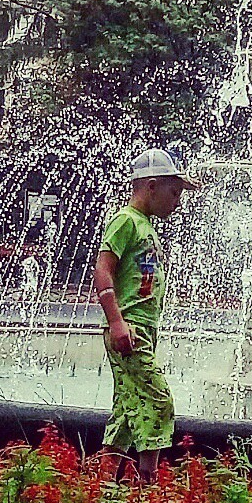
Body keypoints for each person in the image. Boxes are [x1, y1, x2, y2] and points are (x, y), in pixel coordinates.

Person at [94, 147, 200, 482]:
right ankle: (147, 482)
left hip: (142, 329)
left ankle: (103, 486)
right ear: (151, 186)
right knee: (158, 401)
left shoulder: (145, 225)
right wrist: (116, 322)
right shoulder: (126, 221)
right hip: (129, 328)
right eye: (174, 192)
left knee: (127, 411)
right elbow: (103, 269)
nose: (177, 201)